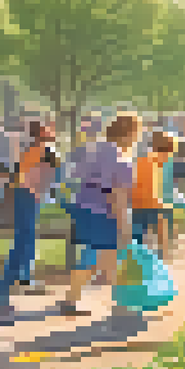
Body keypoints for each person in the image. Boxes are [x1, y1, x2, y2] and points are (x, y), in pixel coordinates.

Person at [59, 113, 139, 318]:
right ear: (129, 134)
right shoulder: (122, 160)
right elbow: (117, 197)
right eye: (136, 133)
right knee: (110, 257)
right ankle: (122, 306)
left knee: (92, 255)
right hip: (102, 212)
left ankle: (71, 300)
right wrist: (125, 226)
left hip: (82, 207)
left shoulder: (94, 150)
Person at [0, 120, 59, 314]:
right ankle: (16, 278)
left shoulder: (31, 149)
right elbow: (50, 171)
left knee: (25, 235)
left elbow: (22, 173)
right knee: (26, 236)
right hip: (28, 194)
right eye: (47, 128)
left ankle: (20, 277)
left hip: (24, 193)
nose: (51, 130)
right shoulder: (44, 149)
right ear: (41, 132)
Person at [131, 130, 177, 261]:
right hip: (138, 207)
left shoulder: (152, 162)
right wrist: (162, 205)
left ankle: (159, 257)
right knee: (164, 215)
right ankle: (162, 259)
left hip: (140, 206)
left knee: (164, 214)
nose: (170, 157)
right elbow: (147, 195)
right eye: (170, 153)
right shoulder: (149, 163)